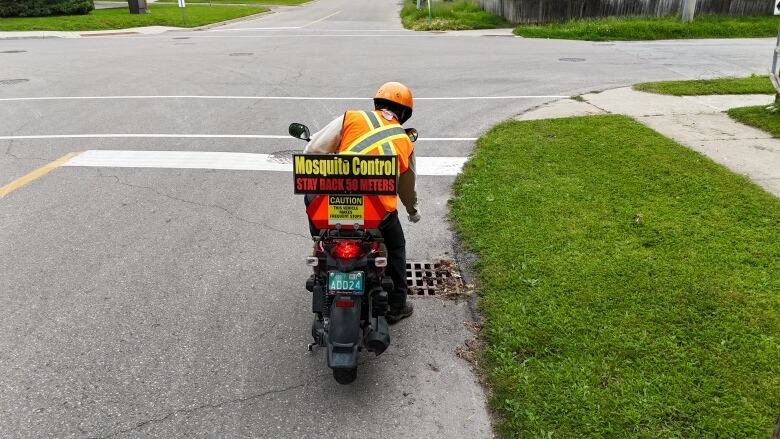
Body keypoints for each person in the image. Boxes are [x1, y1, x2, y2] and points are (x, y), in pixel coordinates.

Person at [304, 82, 420, 324]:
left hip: (336, 203)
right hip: (377, 214)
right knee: (396, 247)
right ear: (405, 113)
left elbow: (314, 149)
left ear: (376, 104)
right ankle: (397, 305)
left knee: (311, 199)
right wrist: (412, 211)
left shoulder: (352, 118)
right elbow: (406, 187)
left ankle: (321, 244)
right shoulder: (405, 140)